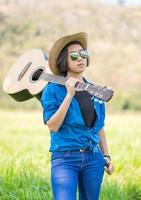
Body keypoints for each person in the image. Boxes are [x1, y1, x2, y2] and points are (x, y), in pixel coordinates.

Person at [40, 32, 114, 200]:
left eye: (83, 54)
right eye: (73, 56)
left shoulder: (95, 90)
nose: (80, 58)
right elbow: (53, 126)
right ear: (63, 61)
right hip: (65, 159)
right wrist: (69, 95)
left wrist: (106, 155)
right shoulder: (52, 90)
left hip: (93, 158)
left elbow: (99, 127)